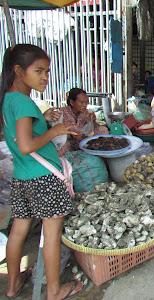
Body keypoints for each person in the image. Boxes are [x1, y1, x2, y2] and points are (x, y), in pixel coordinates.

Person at [0, 44, 83, 299]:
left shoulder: (9, 99)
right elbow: (26, 145)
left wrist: (43, 118)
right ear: (18, 70)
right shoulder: (24, 103)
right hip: (44, 179)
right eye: (39, 71)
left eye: (47, 71)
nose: (45, 77)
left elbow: (18, 135)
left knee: (18, 231)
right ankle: (55, 291)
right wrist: (54, 131)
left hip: (23, 178)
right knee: (52, 235)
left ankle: (13, 287)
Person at [58, 88, 108, 156]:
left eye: (86, 102)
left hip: (82, 142)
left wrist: (92, 121)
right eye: (81, 102)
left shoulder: (87, 113)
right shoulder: (61, 113)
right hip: (68, 143)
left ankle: (100, 153)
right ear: (72, 102)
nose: (85, 105)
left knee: (103, 130)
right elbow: (75, 134)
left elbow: (92, 130)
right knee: (63, 147)